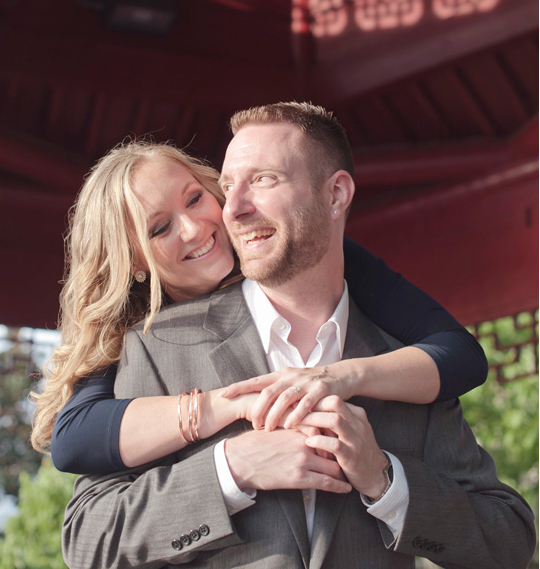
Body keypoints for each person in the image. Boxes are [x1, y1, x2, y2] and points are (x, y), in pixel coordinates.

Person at [62, 103, 535, 568]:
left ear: (335, 195)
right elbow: (86, 537)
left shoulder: (405, 366)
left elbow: (509, 541)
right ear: (137, 262)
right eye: (160, 228)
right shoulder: (152, 347)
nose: (228, 212)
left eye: (263, 179)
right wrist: (230, 469)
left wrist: (385, 479)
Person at [31, 141, 488, 475]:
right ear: (132, 262)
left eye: (195, 198)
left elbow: (461, 354)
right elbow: (73, 440)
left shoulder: (308, 259)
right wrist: (222, 408)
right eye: (160, 228)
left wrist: (343, 376)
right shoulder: (132, 339)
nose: (194, 228)